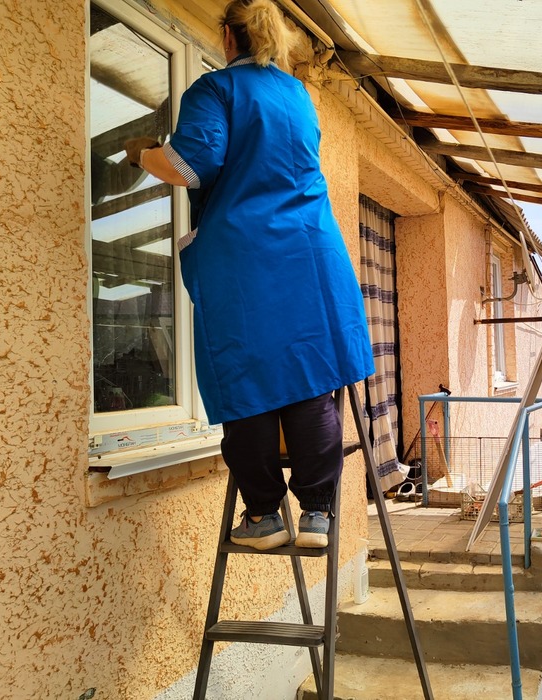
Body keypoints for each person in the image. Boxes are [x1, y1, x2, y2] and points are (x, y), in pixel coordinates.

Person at [123, 0, 374, 550]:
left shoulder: (214, 90)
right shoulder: (298, 97)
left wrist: (143, 154)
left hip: (248, 260)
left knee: (248, 384)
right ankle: (316, 514)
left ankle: (262, 517)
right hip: (310, 253)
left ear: (228, 40)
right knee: (309, 380)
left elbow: (191, 165)